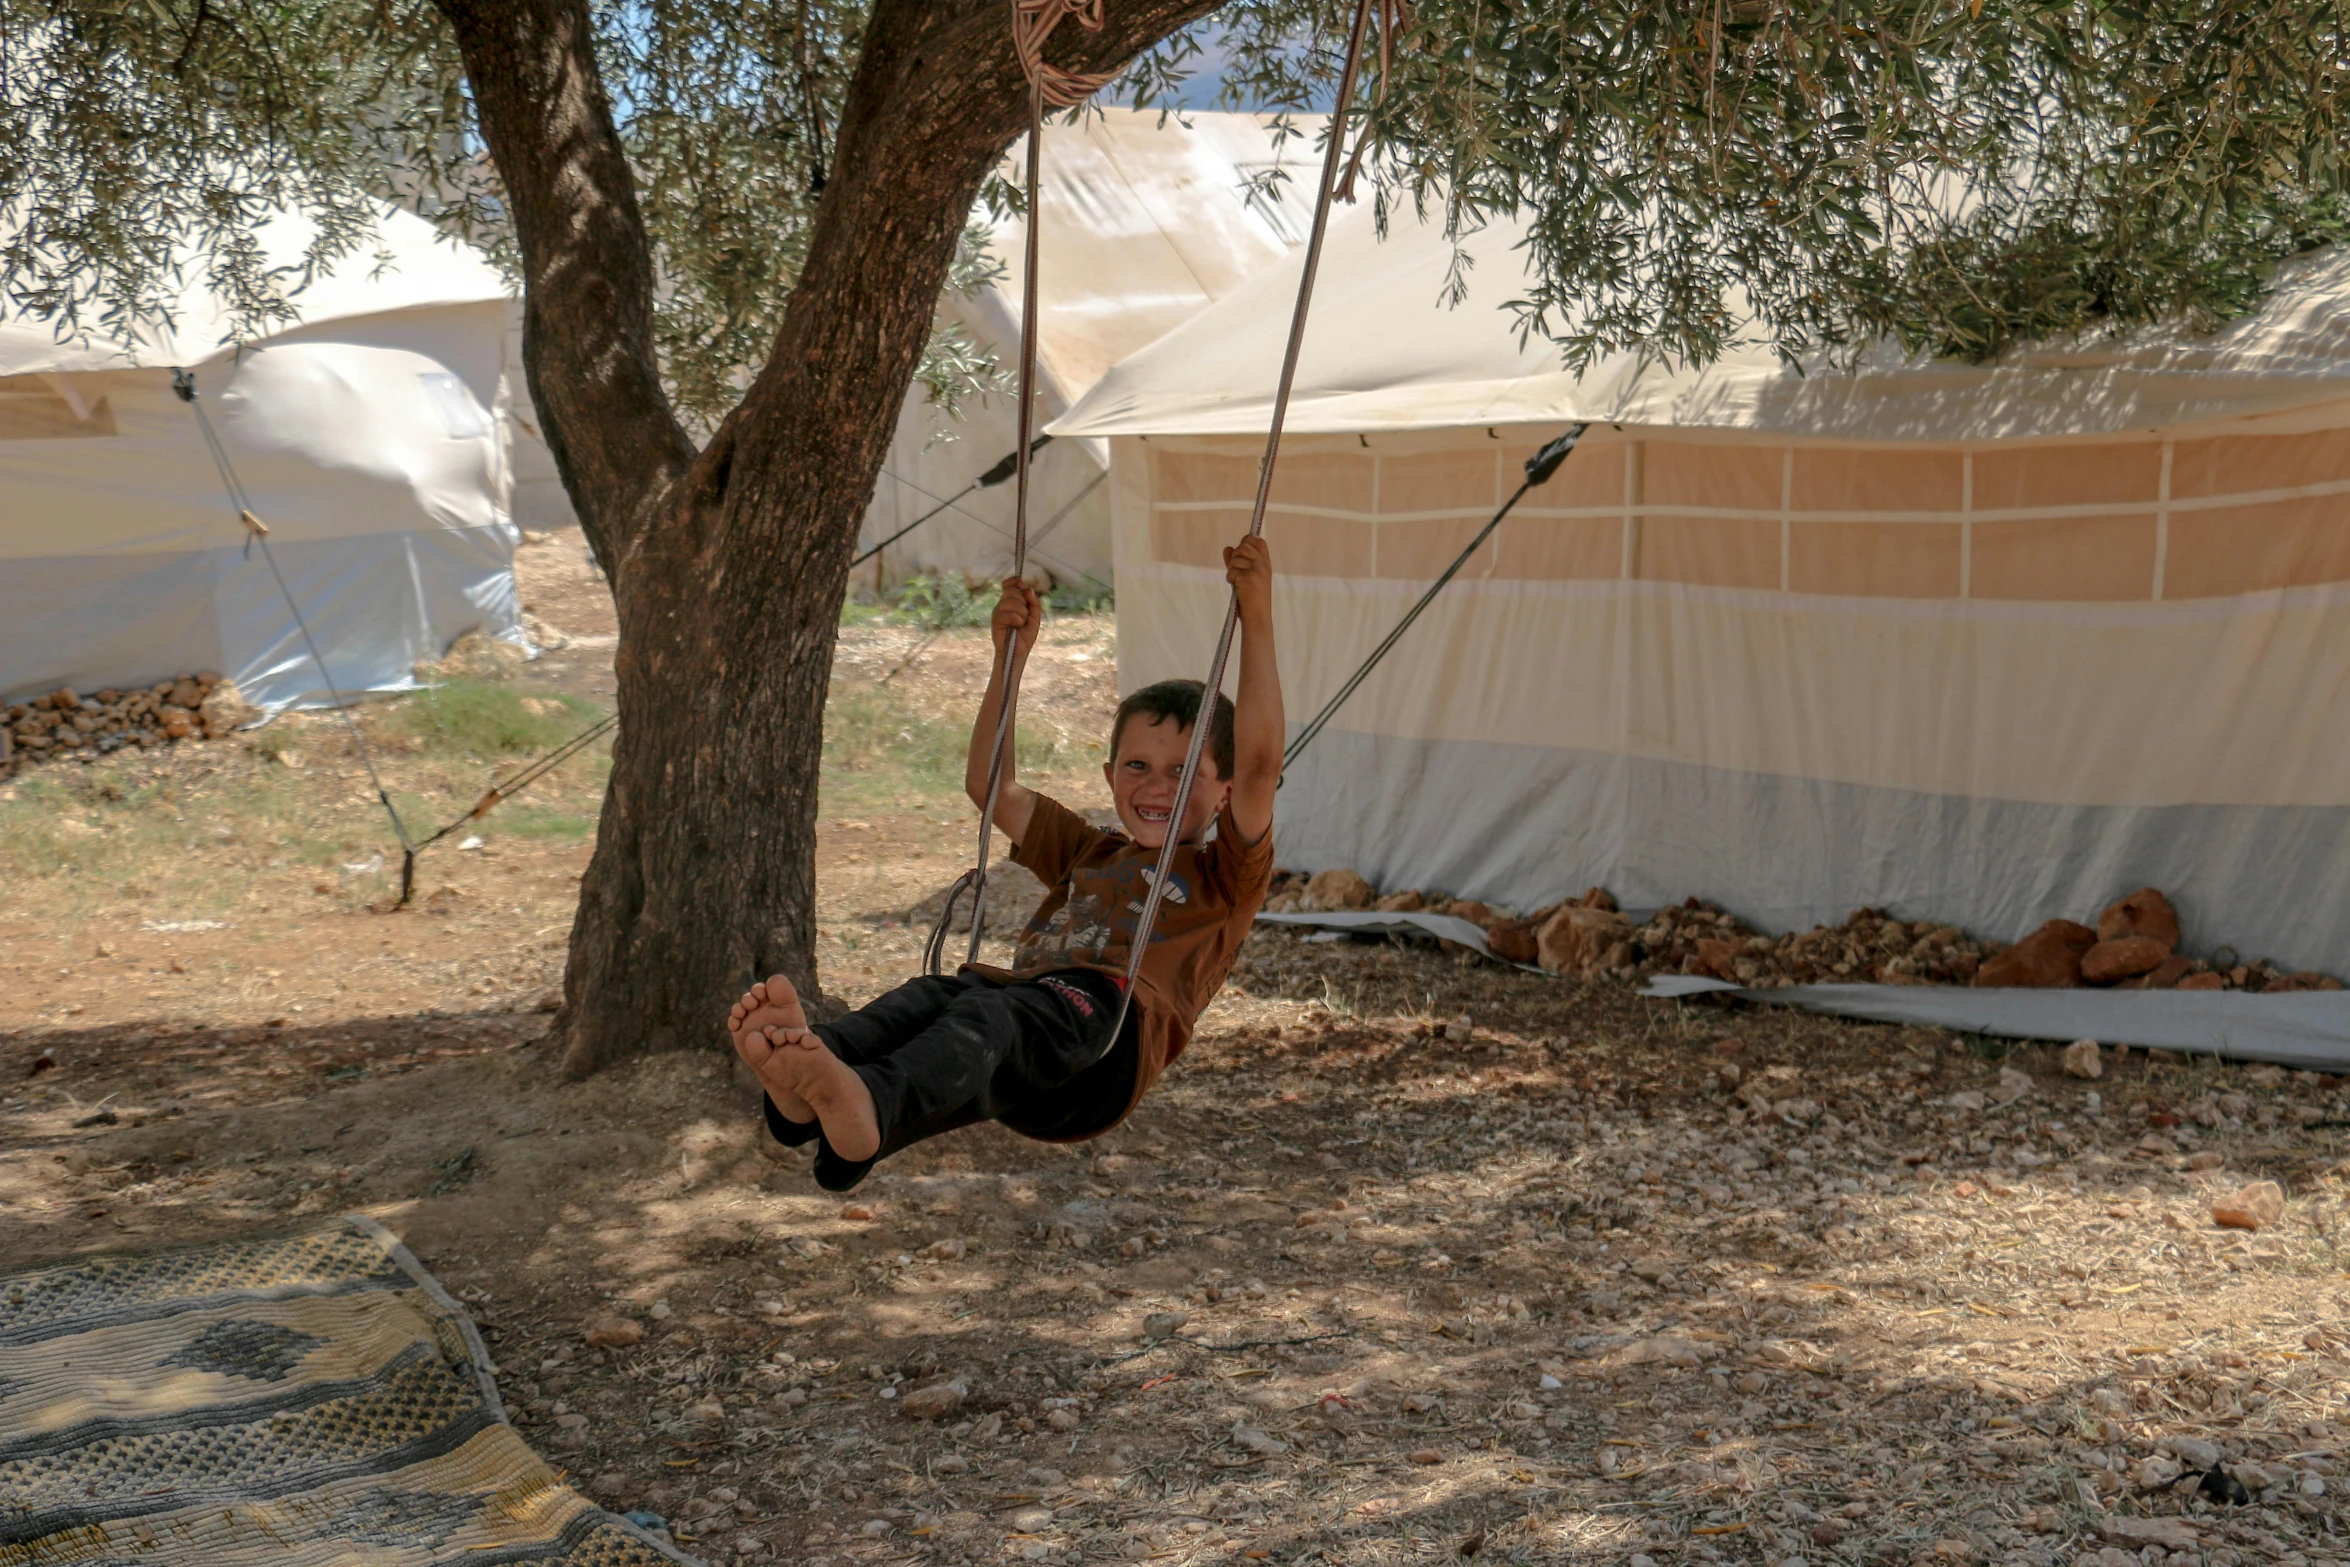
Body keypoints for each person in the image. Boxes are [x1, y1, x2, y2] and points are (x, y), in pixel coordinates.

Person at [727, 537, 1282, 1190]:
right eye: (1137, 765)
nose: (1156, 786)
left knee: (990, 1013)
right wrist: (1008, 663)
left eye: (1184, 771)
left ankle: (869, 1106)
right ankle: (809, 1092)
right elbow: (993, 787)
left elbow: (1261, 759)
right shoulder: (1090, 850)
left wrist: (1258, 614)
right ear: (1109, 776)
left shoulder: (1226, 874)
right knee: (936, 996)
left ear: (1225, 791)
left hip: (1103, 1053)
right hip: (1025, 1042)